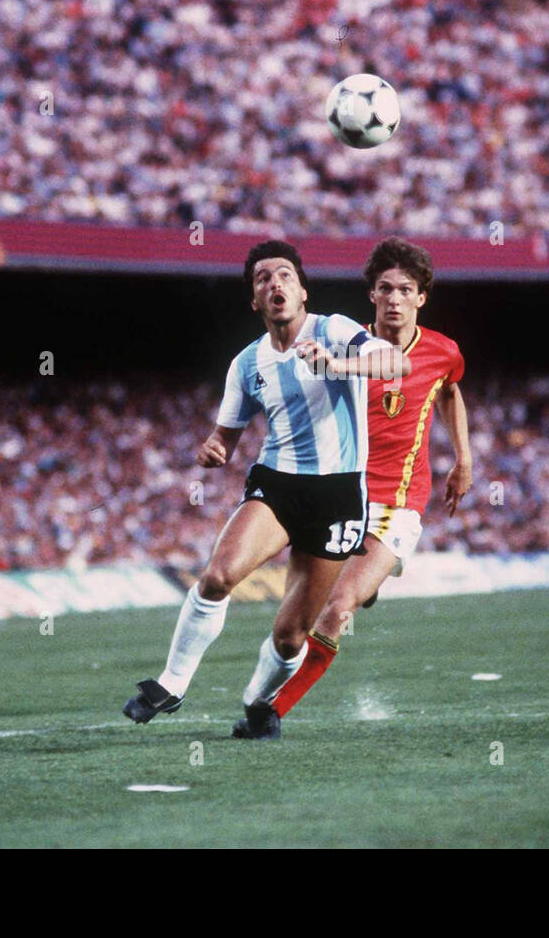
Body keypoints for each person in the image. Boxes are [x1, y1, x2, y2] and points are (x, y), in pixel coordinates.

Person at [123, 240, 410, 738]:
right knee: (217, 576)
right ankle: (171, 683)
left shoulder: (336, 330)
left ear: (302, 290)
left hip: (339, 496)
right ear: (254, 301)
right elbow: (225, 437)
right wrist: (213, 449)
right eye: (262, 279)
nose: (274, 283)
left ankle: (259, 705)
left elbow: (398, 365)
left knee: (290, 634)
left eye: (284, 275)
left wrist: (337, 366)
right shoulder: (247, 364)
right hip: (277, 485)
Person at [248, 237, 471, 731]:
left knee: (338, 607)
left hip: (397, 503)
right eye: (384, 288)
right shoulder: (346, 342)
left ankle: (271, 713)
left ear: (421, 298)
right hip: (339, 497)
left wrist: (464, 459)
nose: (394, 298)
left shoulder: (441, 352)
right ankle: (266, 686)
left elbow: (450, 392)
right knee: (293, 624)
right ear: (371, 295)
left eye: (405, 289)